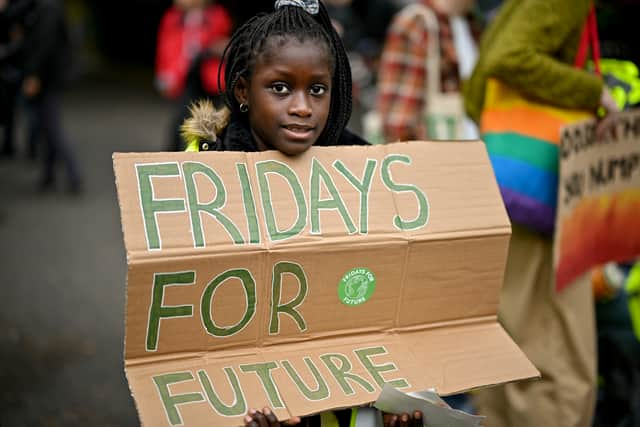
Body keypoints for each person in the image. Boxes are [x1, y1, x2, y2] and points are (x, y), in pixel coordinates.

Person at [182, 1, 423, 425]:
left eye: (317, 90)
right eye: (280, 88)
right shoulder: (205, 165)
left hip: (330, 398)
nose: (301, 107)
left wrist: (394, 397)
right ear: (243, 90)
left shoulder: (362, 169)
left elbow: (379, 297)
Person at [462, 1, 620, 426]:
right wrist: (592, 93)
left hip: (513, 187)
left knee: (511, 331)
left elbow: (479, 84)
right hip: (547, 192)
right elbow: (507, 58)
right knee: (562, 345)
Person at [375, 0, 480, 142]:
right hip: (435, 152)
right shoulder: (416, 22)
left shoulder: (470, 21)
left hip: (472, 147)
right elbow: (399, 119)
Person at [22, 0, 82, 193]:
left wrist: (34, 74)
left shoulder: (49, 7)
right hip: (47, 76)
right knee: (46, 127)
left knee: (52, 128)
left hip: (47, 78)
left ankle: (73, 176)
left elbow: (45, 44)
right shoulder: (47, 6)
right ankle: (49, 174)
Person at [155, 0, 232, 151]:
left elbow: (223, 41)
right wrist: (164, 76)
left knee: (215, 117)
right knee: (182, 117)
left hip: (209, 77)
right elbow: (165, 49)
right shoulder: (172, 19)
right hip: (184, 76)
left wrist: (214, 47)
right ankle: (176, 153)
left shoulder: (216, 15)